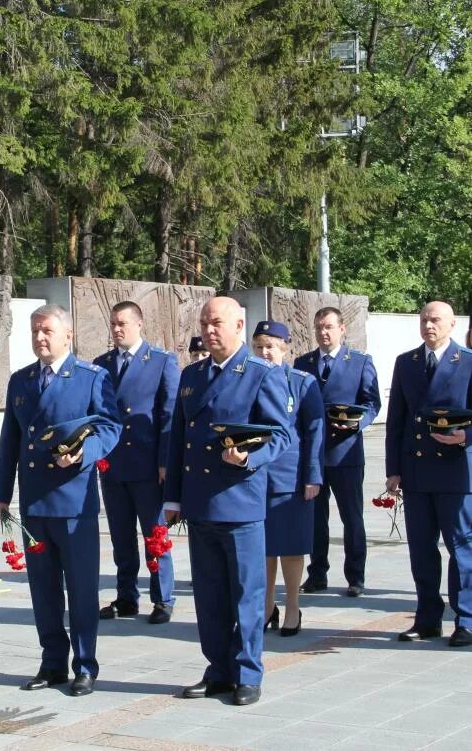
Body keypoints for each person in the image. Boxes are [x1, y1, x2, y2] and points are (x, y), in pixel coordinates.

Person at [164, 297, 292, 707]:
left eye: (216, 322)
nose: (209, 330)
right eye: (204, 322)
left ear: (240, 324)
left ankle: (248, 672)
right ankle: (218, 669)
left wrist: (250, 458)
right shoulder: (191, 375)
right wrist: (173, 500)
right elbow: (178, 441)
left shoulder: (259, 374)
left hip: (239, 501)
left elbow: (282, 434)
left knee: (246, 594)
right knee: (209, 594)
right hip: (200, 503)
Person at [0, 304, 120, 697]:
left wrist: (85, 453)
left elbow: (110, 427)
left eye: (46, 331)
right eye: (34, 332)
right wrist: (0, 493)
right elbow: (9, 441)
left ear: (68, 335)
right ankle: (52, 663)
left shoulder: (91, 378)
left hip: (73, 502)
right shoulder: (22, 380)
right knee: (43, 590)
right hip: (34, 504)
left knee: (81, 589)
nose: (40, 339)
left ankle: (84, 665)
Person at [385, 301, 472, 647]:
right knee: (421, 549)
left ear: (452, 324)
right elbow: (396, 421)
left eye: (435, 320)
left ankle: (465, 619)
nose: (428, 325)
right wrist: (393, 470)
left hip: (455, 470)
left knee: (461, 547)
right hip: (417, 470)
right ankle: (427, 618)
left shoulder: (467, 362)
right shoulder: (407, 362)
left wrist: (467, 436)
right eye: (424, 319)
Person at [93, 301, 179, 624]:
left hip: (147, 464)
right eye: (113, 324)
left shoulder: (161, 361)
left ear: (139, 324)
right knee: (120, 537)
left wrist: (164, 461)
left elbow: (168, 415)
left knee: (154, 534)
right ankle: (126, 596)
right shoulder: (101, 364)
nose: (117, 329)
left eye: (123, 324)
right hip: (113, 465)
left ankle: (162, 597)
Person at [294, 307, 381, 597]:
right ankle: (317, 574)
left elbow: (372, 403)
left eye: (329, 327)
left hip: (345, 454)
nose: (323, 332)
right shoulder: (302, 363)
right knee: (315, 518)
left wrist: (357, 424)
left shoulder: (359, 362)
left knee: (351, 517)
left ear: (342, 329)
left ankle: (356, 577)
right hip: (313, 455)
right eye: (319, 327)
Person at [250, 321, 324, 637]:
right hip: (254, 475)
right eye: (259, 346)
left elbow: (314, 431)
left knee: (291, 547)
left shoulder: (302, 382)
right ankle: (267, 606)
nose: (265, 353)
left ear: (284, 348)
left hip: (290, 477)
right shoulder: (247, 379)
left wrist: (313, 476)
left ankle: (292, 605)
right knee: (262, 548)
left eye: (271, 347)